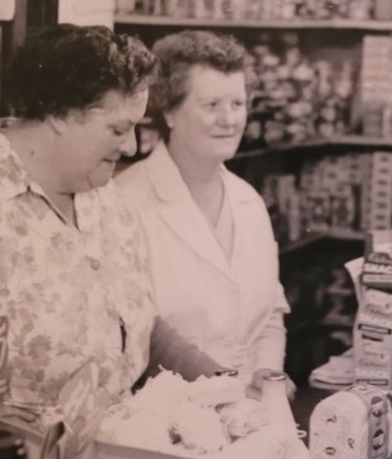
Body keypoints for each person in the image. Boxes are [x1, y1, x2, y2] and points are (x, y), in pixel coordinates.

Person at [0, 24, 223, 450]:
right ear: (57, 114)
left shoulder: (109, 200)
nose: (131, 147)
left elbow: (137, 322)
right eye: (116, 129)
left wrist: (220, 384)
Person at [117, 30, 292, 399]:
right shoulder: (127, 202)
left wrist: (267, 373)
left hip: (248, 416)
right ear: (170, 111)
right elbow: (135, 332)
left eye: (237, 104)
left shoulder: (249, 202)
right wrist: (226, 390)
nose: (229, 120)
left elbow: (270, 314)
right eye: (211, 105)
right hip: (166, 420)